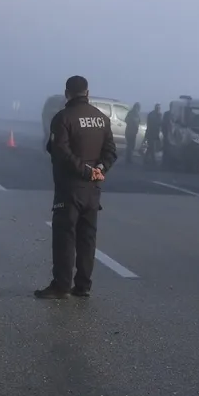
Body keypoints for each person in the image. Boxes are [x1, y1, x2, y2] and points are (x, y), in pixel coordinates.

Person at [36, 75, 117, 299]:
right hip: (93, 190)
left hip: (70, 188)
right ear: (87, 93)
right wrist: (99, 168)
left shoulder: (62, 118)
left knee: (65, 237)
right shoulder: (102, 119)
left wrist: (84, 171)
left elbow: (60, 152)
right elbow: (110, 151)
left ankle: (61, 285)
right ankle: (83, 285)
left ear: (67, 93)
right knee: (87, 238)